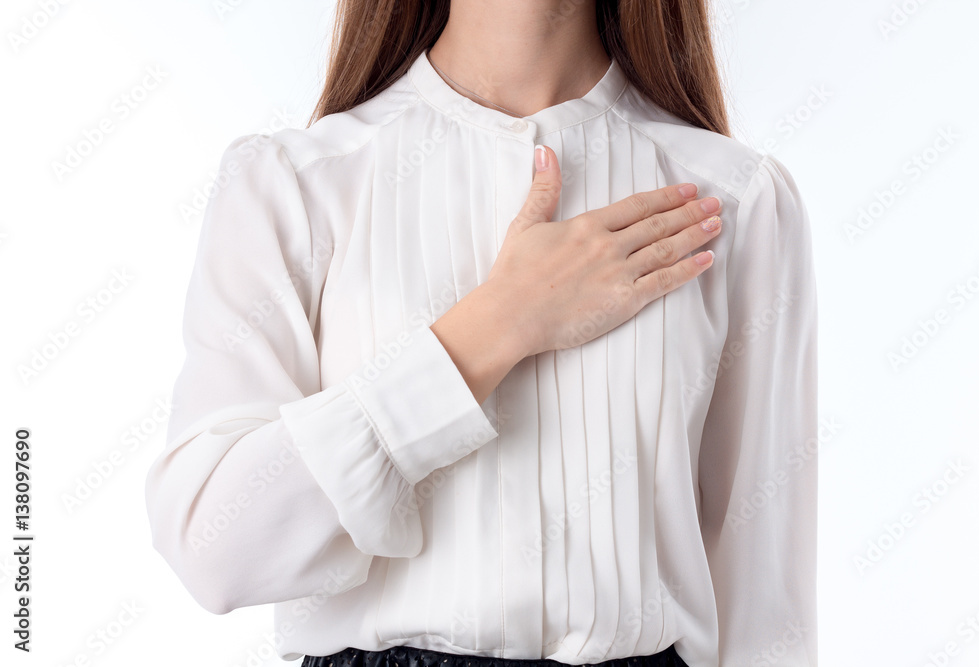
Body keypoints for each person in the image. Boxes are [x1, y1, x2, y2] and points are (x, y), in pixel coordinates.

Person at [144, 1, 818, 666]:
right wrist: (499, 323)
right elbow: (215, 547)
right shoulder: (294, 187)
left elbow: (767, 618)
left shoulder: (733, 200)